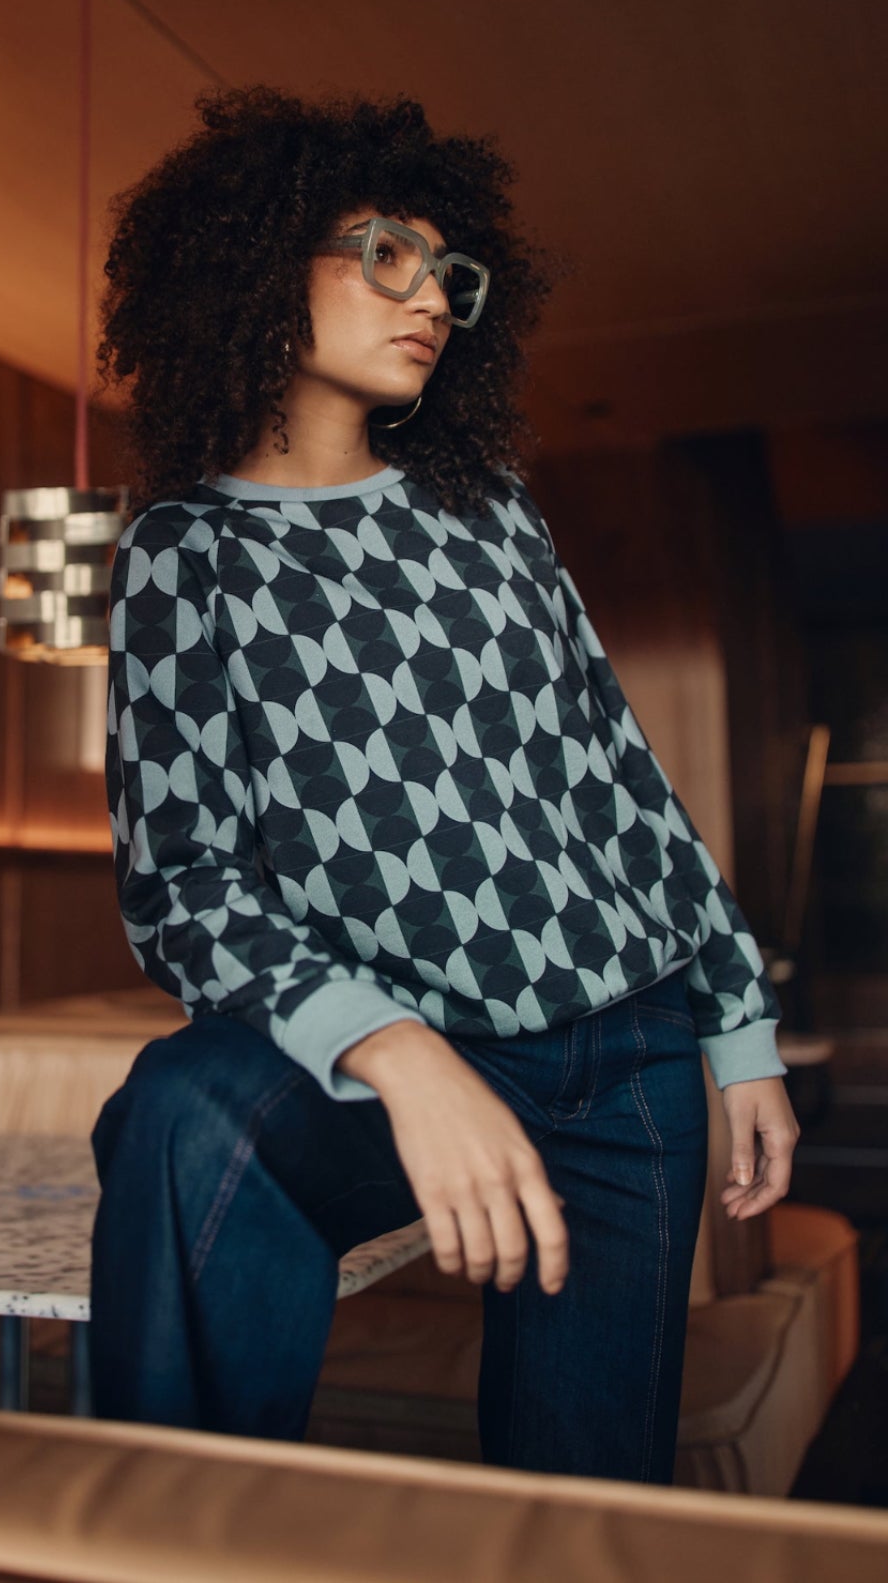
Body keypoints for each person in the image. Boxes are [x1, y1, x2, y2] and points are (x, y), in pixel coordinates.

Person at [88, 85, 799, 1483]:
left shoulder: (491, 514)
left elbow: (623, 785)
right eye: (385, 254)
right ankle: (164, 1536)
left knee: (583, 1510)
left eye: (449, 272)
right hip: (405, 1063)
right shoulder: (187, 553)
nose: (432, 298)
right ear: (256, 261)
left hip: (627, 1061)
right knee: (180, 1106)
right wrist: (397, 1051)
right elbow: (181, 885)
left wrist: (740, 1032)